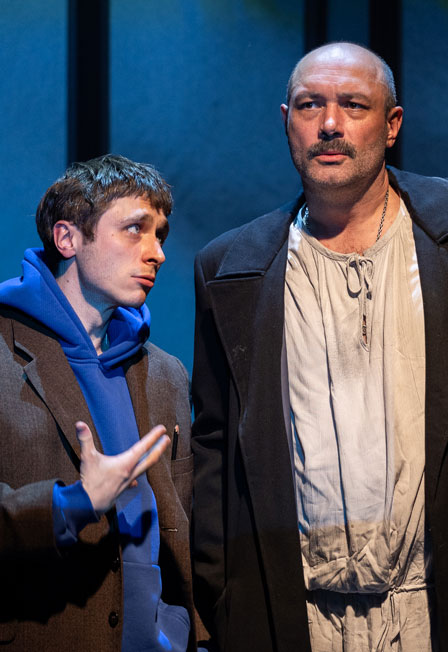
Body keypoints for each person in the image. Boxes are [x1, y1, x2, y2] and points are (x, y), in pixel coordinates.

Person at [191, 41, 448, 651]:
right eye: (310, 106)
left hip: (430, 607)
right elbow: (214, 446)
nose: (330, 124)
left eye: (353, 105)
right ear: (287, 121)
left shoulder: (439, 239)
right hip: (292, 613)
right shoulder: (231, 269)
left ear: (392, 124)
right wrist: (223, 597)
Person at [0, 154, 196, 651]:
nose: (157, 253)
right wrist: (75, 503)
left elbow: (182, 524)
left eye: (160, 235)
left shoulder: (165, 374)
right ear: (67, 238)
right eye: (135, 229)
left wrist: (185, 633)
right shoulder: (3, 349)